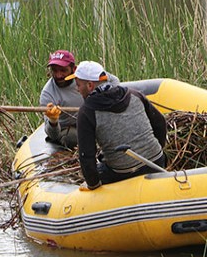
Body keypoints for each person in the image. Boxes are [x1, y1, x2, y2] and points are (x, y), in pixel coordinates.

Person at [67, 61, 167, 190]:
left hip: (123, 171)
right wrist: (156, 150)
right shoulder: (134, 94)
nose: (77, 89)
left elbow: (86, 155)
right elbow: (160, 123)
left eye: (78, 85)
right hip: (157, 162)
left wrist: (93, 184)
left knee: (99, 168)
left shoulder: (87, 112)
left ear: (90, 85)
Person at [39, 50, 119, 149]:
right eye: (55, 70)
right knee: (72, 138)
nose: (58, 75)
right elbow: (53, 135)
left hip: (93, 118)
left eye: (63, 70)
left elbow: (115, 82)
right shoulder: (48, 94)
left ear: (74, 69)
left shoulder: (86, 73)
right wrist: (53, 120)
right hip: (71, 127)